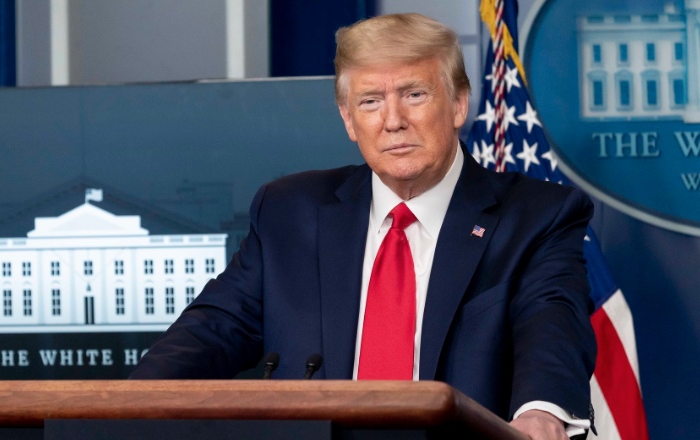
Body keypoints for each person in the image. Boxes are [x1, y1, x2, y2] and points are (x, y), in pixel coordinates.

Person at [130, 13, 596, 440]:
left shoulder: (536, 217)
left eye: (414, 94)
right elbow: (214, 327)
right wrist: (118, 405)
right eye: (370, 101)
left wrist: (542, 413)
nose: (393, 121)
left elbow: (552, 328)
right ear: (348, 119)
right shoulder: (289, 212)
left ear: (458, 104)